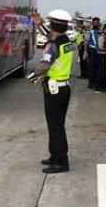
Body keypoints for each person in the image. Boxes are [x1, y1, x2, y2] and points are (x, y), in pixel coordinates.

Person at [27, 9, 74, 174]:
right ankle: (55, 155)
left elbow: (44, 66)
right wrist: (40, 24)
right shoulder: (67, 40)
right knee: (57, 125)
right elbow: (52, 36)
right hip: (64, 88)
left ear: (53, 25)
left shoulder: (53, 45)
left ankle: (61, 162)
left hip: (54, 90)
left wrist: (32, 76)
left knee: (55, 127)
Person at [86, 17, 106, 92]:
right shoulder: (89, 32)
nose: (96, 23)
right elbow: (86, 42)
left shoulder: (100, 31)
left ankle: (95, 82)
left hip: (98, 51)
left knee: (97, 67)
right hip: (91, 50)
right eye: (95, 22)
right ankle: (91, 83)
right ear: (92, 23)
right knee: (92, 67)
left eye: (97, 22)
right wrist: (85, 52)